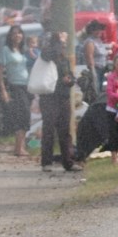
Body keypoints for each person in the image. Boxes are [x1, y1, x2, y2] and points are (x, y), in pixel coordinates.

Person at [39, 27, 82, 172]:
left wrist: (70, 80)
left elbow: (70, 75)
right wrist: (59, 39)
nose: (63, 47)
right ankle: (46, 162)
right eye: (61, 44)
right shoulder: (47, 56)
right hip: (49, 97)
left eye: (64, 45)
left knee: (65, 131)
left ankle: (68, 161)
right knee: (49, 129)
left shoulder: (65, 59)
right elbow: (51, 54)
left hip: (63, 97)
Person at [0, 25, 31, 157]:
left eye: (19, 33)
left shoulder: (23, 51)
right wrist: (3, 91)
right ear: (10, 36)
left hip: (26, 86)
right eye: (14, 34)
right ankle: (18, 147)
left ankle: (21, 146)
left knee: (26, 116)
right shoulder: (6, 50)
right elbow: (0, 72)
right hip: (15, 86)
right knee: (20, 114)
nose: (17, 36)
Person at [83, 19, 109, 92]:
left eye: (99, 29)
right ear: (91, 31)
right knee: (95, 89)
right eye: (95, 30)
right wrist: (93, 70)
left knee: (100, 88)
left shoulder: (98, 40)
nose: (98, 31)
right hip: (96, 69)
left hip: (102, 69)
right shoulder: (90, 41)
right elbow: (89, 56)